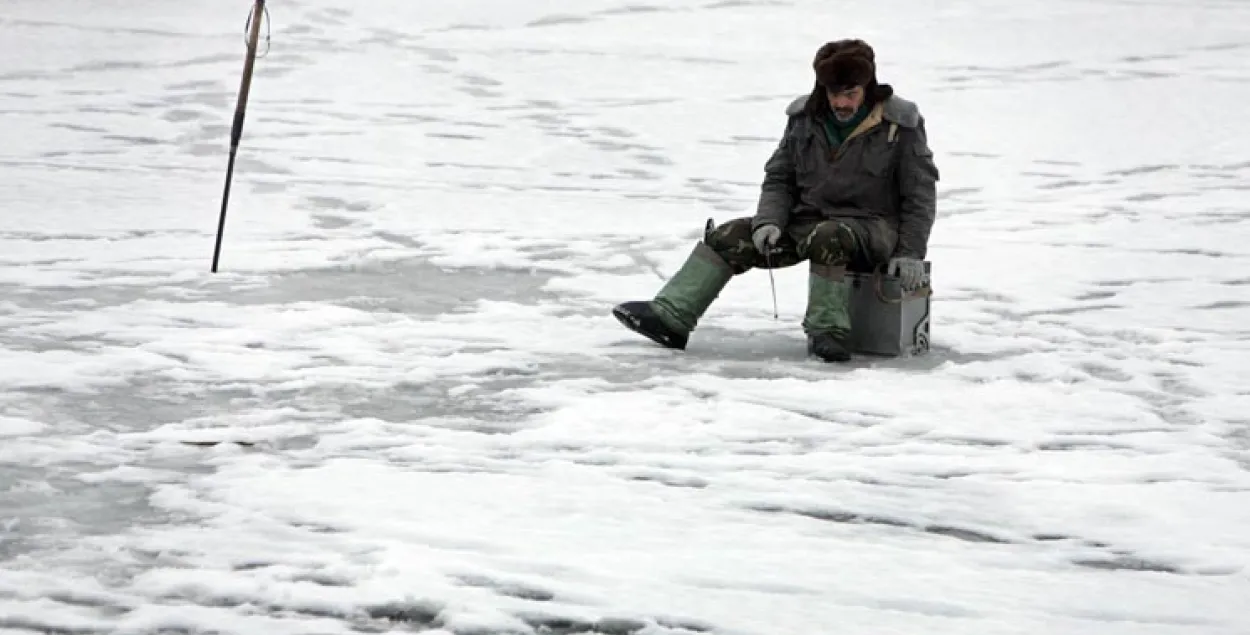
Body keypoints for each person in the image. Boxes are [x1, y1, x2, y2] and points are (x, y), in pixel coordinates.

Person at [611, 38, 939, 362]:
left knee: (830, 236)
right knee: (731, 236)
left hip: (872, 227)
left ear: (867, 87)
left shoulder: (900, 126)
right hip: (809, 219)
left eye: (850, 94)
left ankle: (827, 332)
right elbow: (780, 178)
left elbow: (920, 195)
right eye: (834, 93)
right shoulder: (804, 119)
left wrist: (910, 253)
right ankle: (671, 317)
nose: (841, 103)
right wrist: (768, 221)